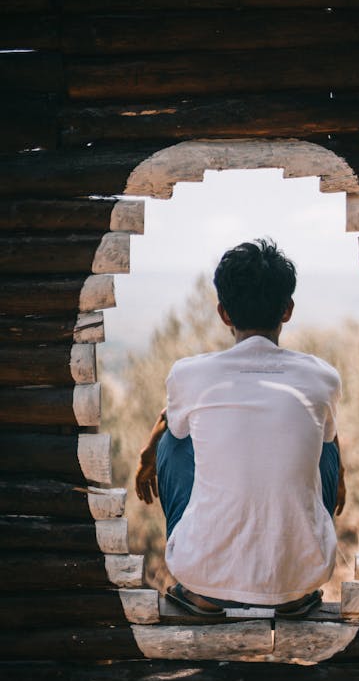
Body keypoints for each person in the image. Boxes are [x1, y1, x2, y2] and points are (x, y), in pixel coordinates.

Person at [136, 239, 345, 618]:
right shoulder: (322, 376)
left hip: (203, 575)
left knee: (173, 441)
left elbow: (172, 424)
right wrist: (338, 473)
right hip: (302, 577)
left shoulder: (188, 374)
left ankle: (201, 597)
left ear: (223, 313)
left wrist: (148, 453)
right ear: (288, 310)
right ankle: (292, 595)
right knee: (329, 443)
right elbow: (328, 444)